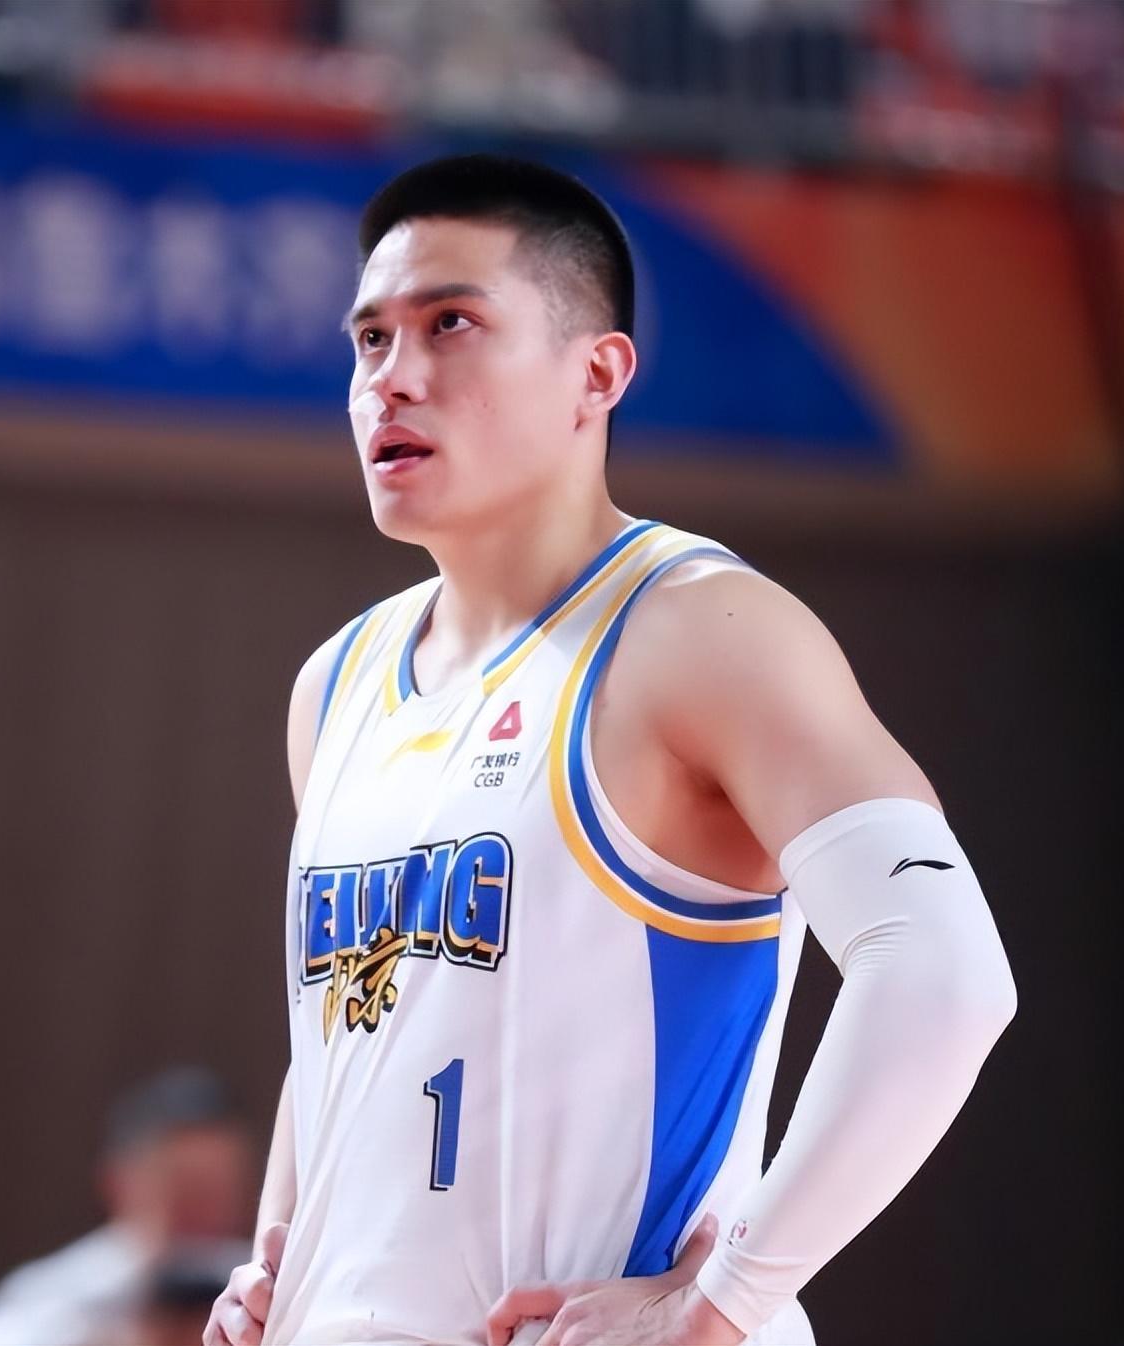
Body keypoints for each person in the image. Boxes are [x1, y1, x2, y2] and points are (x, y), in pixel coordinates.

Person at [204, 155, 1017, 1346]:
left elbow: (942, 972)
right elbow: (354, 1023)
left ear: (596, 372)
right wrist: (282, 1251)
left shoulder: (699, 627)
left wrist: (724, 1299)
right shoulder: (333, 685)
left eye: (450, 323)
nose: (392, 377)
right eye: (370, 339)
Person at [0, 1067, 254, 1346]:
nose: (204, 1209)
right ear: (118, 1182)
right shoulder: (65, 1293)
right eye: (184, 1188)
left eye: (218, 1188)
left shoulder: (253, 1281)